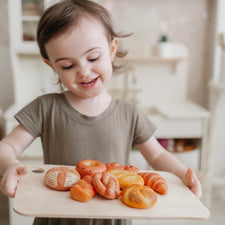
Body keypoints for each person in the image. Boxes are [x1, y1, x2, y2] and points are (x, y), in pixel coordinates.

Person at [0, 0, 201, 225]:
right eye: (68, 66)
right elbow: (6, 146)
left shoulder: (130, 113)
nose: (84, 71)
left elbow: (157, 155)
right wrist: (10, 165)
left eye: (93, 58)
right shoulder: (45, 108)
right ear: (51, 66)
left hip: (112, 218)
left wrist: (183, 174)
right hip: (57, 217)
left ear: (112, 49)